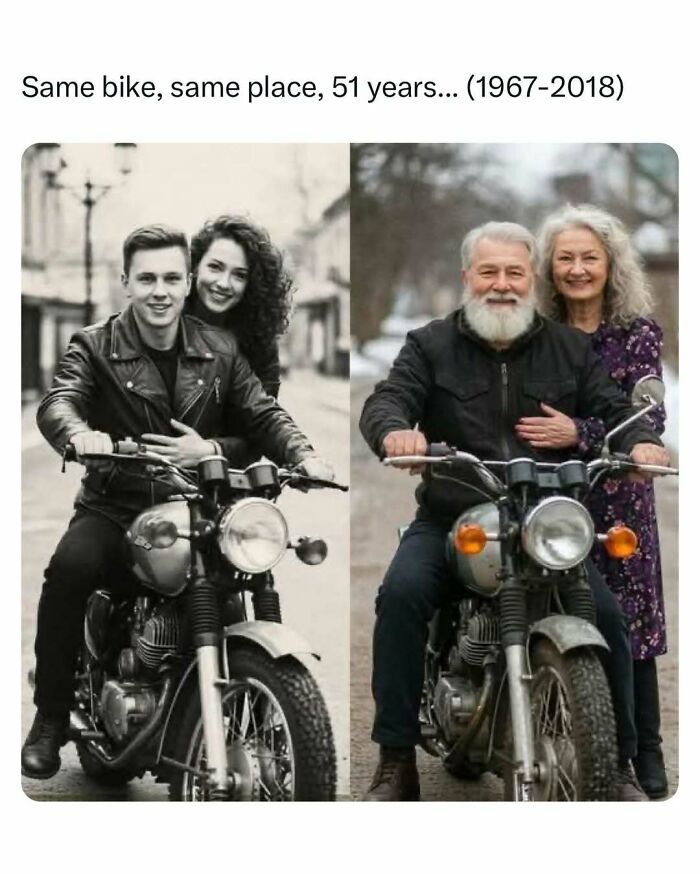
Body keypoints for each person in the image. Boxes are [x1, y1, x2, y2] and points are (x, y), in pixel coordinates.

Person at [359, 221, 669, 801]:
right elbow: (389, 398)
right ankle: (394, 757)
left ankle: (620, 765)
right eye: (489, 272)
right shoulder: (430, 344)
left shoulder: (569, 348)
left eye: (513, 273)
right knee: (400, 596)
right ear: (466, 277)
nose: (501, 285)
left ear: (531, 280)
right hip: (455, 514)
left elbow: (612, 409)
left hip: (542, 517)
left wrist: (637, 444)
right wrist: (396, 431)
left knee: (608, 617)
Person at [22, 224, 332, 780]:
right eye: (146, 279)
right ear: (126, 283)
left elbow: (262, 412)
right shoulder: (94, 344)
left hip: (197, 507)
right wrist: (78, 434)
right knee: (68, 570)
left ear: (187, 283)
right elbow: (60, 398)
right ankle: (49, 716)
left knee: (234, 588)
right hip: (115, 505)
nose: (159, 291)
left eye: (170, 277)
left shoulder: (221, 348)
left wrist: (303, 453)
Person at [520, 204, 669, 798]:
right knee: (554, 612)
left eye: (590, 258)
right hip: (553, 496)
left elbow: (646, 417)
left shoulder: (637, 334)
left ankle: (643, 752)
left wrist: (577, 433)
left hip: (620, 497)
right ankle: (563, 737)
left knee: (631, 627)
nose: (578, 269)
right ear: (548, 268)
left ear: (611, 265)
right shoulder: (533, 335)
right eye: (566, 259)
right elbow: (526, 416)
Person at [183, 215, 291, 465]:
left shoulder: (259, 344)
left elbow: (261, 430)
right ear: (195, 266)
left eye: (239, 275)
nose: (224, 283)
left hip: (227, 480)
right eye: (215, 267)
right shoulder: (166, 323)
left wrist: (210, 450)